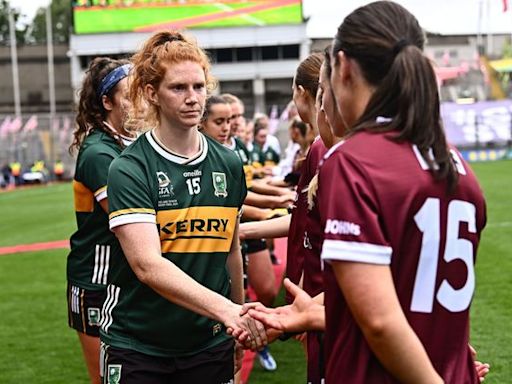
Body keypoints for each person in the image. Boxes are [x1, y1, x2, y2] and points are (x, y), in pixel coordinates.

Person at [255, 2, 487, 383]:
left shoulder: (354, 161)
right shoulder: (451, 157)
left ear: (343, 67)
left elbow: (379, 322)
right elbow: (409, 284)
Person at [100, 31, 266, 384]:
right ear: (151, 93)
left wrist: (233, 327)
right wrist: (230, 311)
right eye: (178, 88)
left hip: (208, 343)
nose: (193, 98)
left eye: (199, 86)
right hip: (138, 346)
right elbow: (147, 265)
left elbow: (231, 251)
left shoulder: (228, 163)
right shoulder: (130, 168)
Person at [67, 57, 135, 384]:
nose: (139, 103)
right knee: (106, 380)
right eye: (129, 96)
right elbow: (131, 217)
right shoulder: (99, 153)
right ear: (107, 102)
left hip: (119, 278)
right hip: (97, 282)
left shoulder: (123, 144)